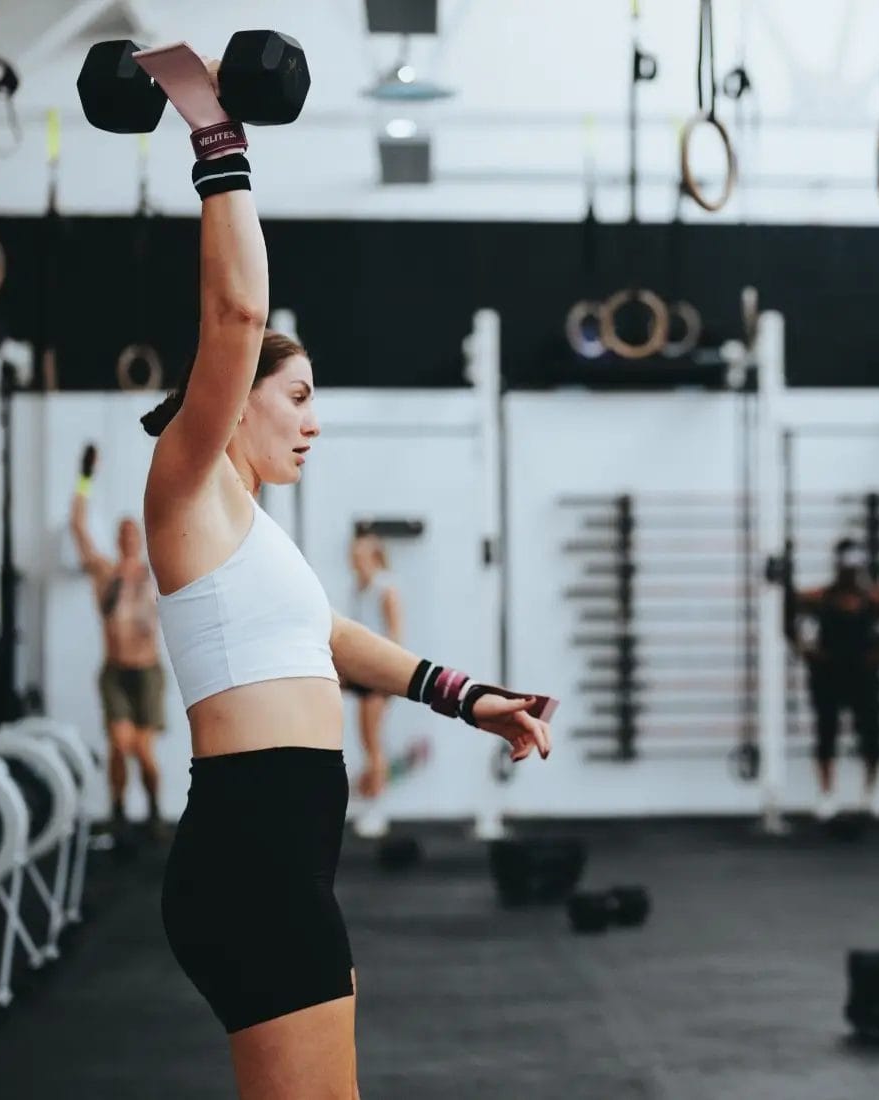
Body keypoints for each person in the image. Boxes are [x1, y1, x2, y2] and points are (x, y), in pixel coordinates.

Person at [135, 54, 552, 1099]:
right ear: (237, 401)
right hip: (252, 849)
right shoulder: (188, 488)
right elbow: (233, 320)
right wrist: (214, 134)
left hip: (281, 852)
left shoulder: (254, 534)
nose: (314, 420)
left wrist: (468, 696)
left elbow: (328, 637)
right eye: (301, 394)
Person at [68, 445, 168, 840]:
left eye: (134, 533)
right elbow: (77, 526)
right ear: (117, 538)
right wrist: (85, 477)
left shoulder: (155, 574)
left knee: (143, 750)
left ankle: (155, 812)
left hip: (148, 672)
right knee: (118, 745)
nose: (128, 538)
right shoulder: (105, 573)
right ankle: (119, 811)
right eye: (122, 532)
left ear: (140, 539)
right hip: (115, 671)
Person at [793, 538, 879, 821]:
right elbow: (792, 613)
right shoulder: (821, 597)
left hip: (864, 673)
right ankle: (827, 795)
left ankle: (872, 793)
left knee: (871, 733)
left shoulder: (874, 599)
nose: (851, 573)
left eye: (855, 567)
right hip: (828, 673)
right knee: (826, 733)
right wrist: (806, 650)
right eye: (846, 566)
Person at [345, 531, 403, 839]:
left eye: (359, 557)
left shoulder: (385, 588)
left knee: (374, 742)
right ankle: (371, 799)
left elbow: (394, 634)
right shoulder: (360, 588)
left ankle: (378, 808)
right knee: (367, 740)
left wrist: (384, 672)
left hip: (377, 673)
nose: (354, 563)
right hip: (362, 672)